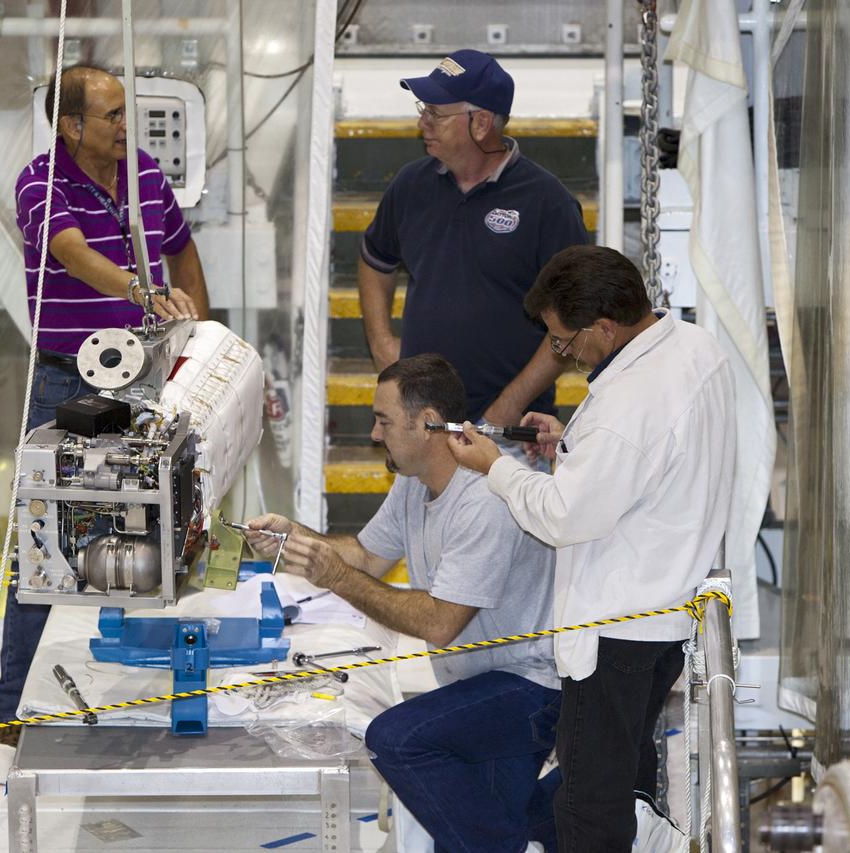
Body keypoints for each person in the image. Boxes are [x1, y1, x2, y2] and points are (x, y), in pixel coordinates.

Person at [447, 245, 737, 851]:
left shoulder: (627, 408)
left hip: (616, 634)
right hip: (664, 612)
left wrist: (493, 467)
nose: (563, 352)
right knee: (626, 776)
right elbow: (638, 468)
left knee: (588, 804)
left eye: (565, 339)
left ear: (604, 326)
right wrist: (573, 446)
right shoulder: (694, 347)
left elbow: (562, 517)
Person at [0, 64, 211, 782]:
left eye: (125, 113)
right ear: (71, 124)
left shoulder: (143, 174)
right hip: (68, 381)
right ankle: (11, 715)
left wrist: (198, 332)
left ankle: (136, 692)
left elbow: (181, 242)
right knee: (43, 543)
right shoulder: (40, 182)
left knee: (163, 522)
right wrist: (146, 290)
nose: (124, 127)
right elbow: (72, 254)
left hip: (146, 376)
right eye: (110, 115)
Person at [244, 354, 562, 852]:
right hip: (478, 682)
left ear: (429, 422)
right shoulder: (414, 481)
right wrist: (294, 537)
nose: (374, 434)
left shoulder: (484, 500)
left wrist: (339, 578)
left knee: (398, 740)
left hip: (528, 686)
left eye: (384, 420)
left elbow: (439, 624)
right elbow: (367, 556)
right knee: (486, 822)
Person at [358, 49, 588, 430]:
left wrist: (507, 407)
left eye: (435, 112)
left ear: (481, 123)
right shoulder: (410, 185)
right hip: (418, 427)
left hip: (508, 432)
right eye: (423, 109)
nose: (422, 122)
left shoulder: (548, 203)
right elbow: (374, 260)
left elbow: (572, 322)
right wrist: (382, 345)